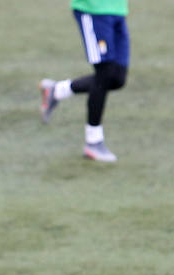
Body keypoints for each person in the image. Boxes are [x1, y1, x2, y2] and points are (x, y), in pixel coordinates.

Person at [39, 0, 130, 162]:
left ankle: (57, 90)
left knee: (117, 78)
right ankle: (93, 142)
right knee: (105, 72)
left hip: (117, 8)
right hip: (93, 9)